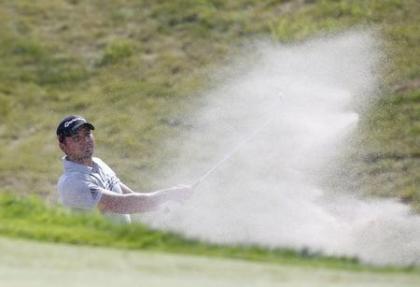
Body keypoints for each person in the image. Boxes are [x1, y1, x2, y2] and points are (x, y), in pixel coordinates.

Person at [56, 115, 193, 223]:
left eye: (87, 134)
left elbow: (127, 195)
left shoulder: (98, 163)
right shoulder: (72, 183)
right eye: (76, 138)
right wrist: (168, 194)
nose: (85, 140)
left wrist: (163, 208)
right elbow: (121, 204)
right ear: (63, 146)